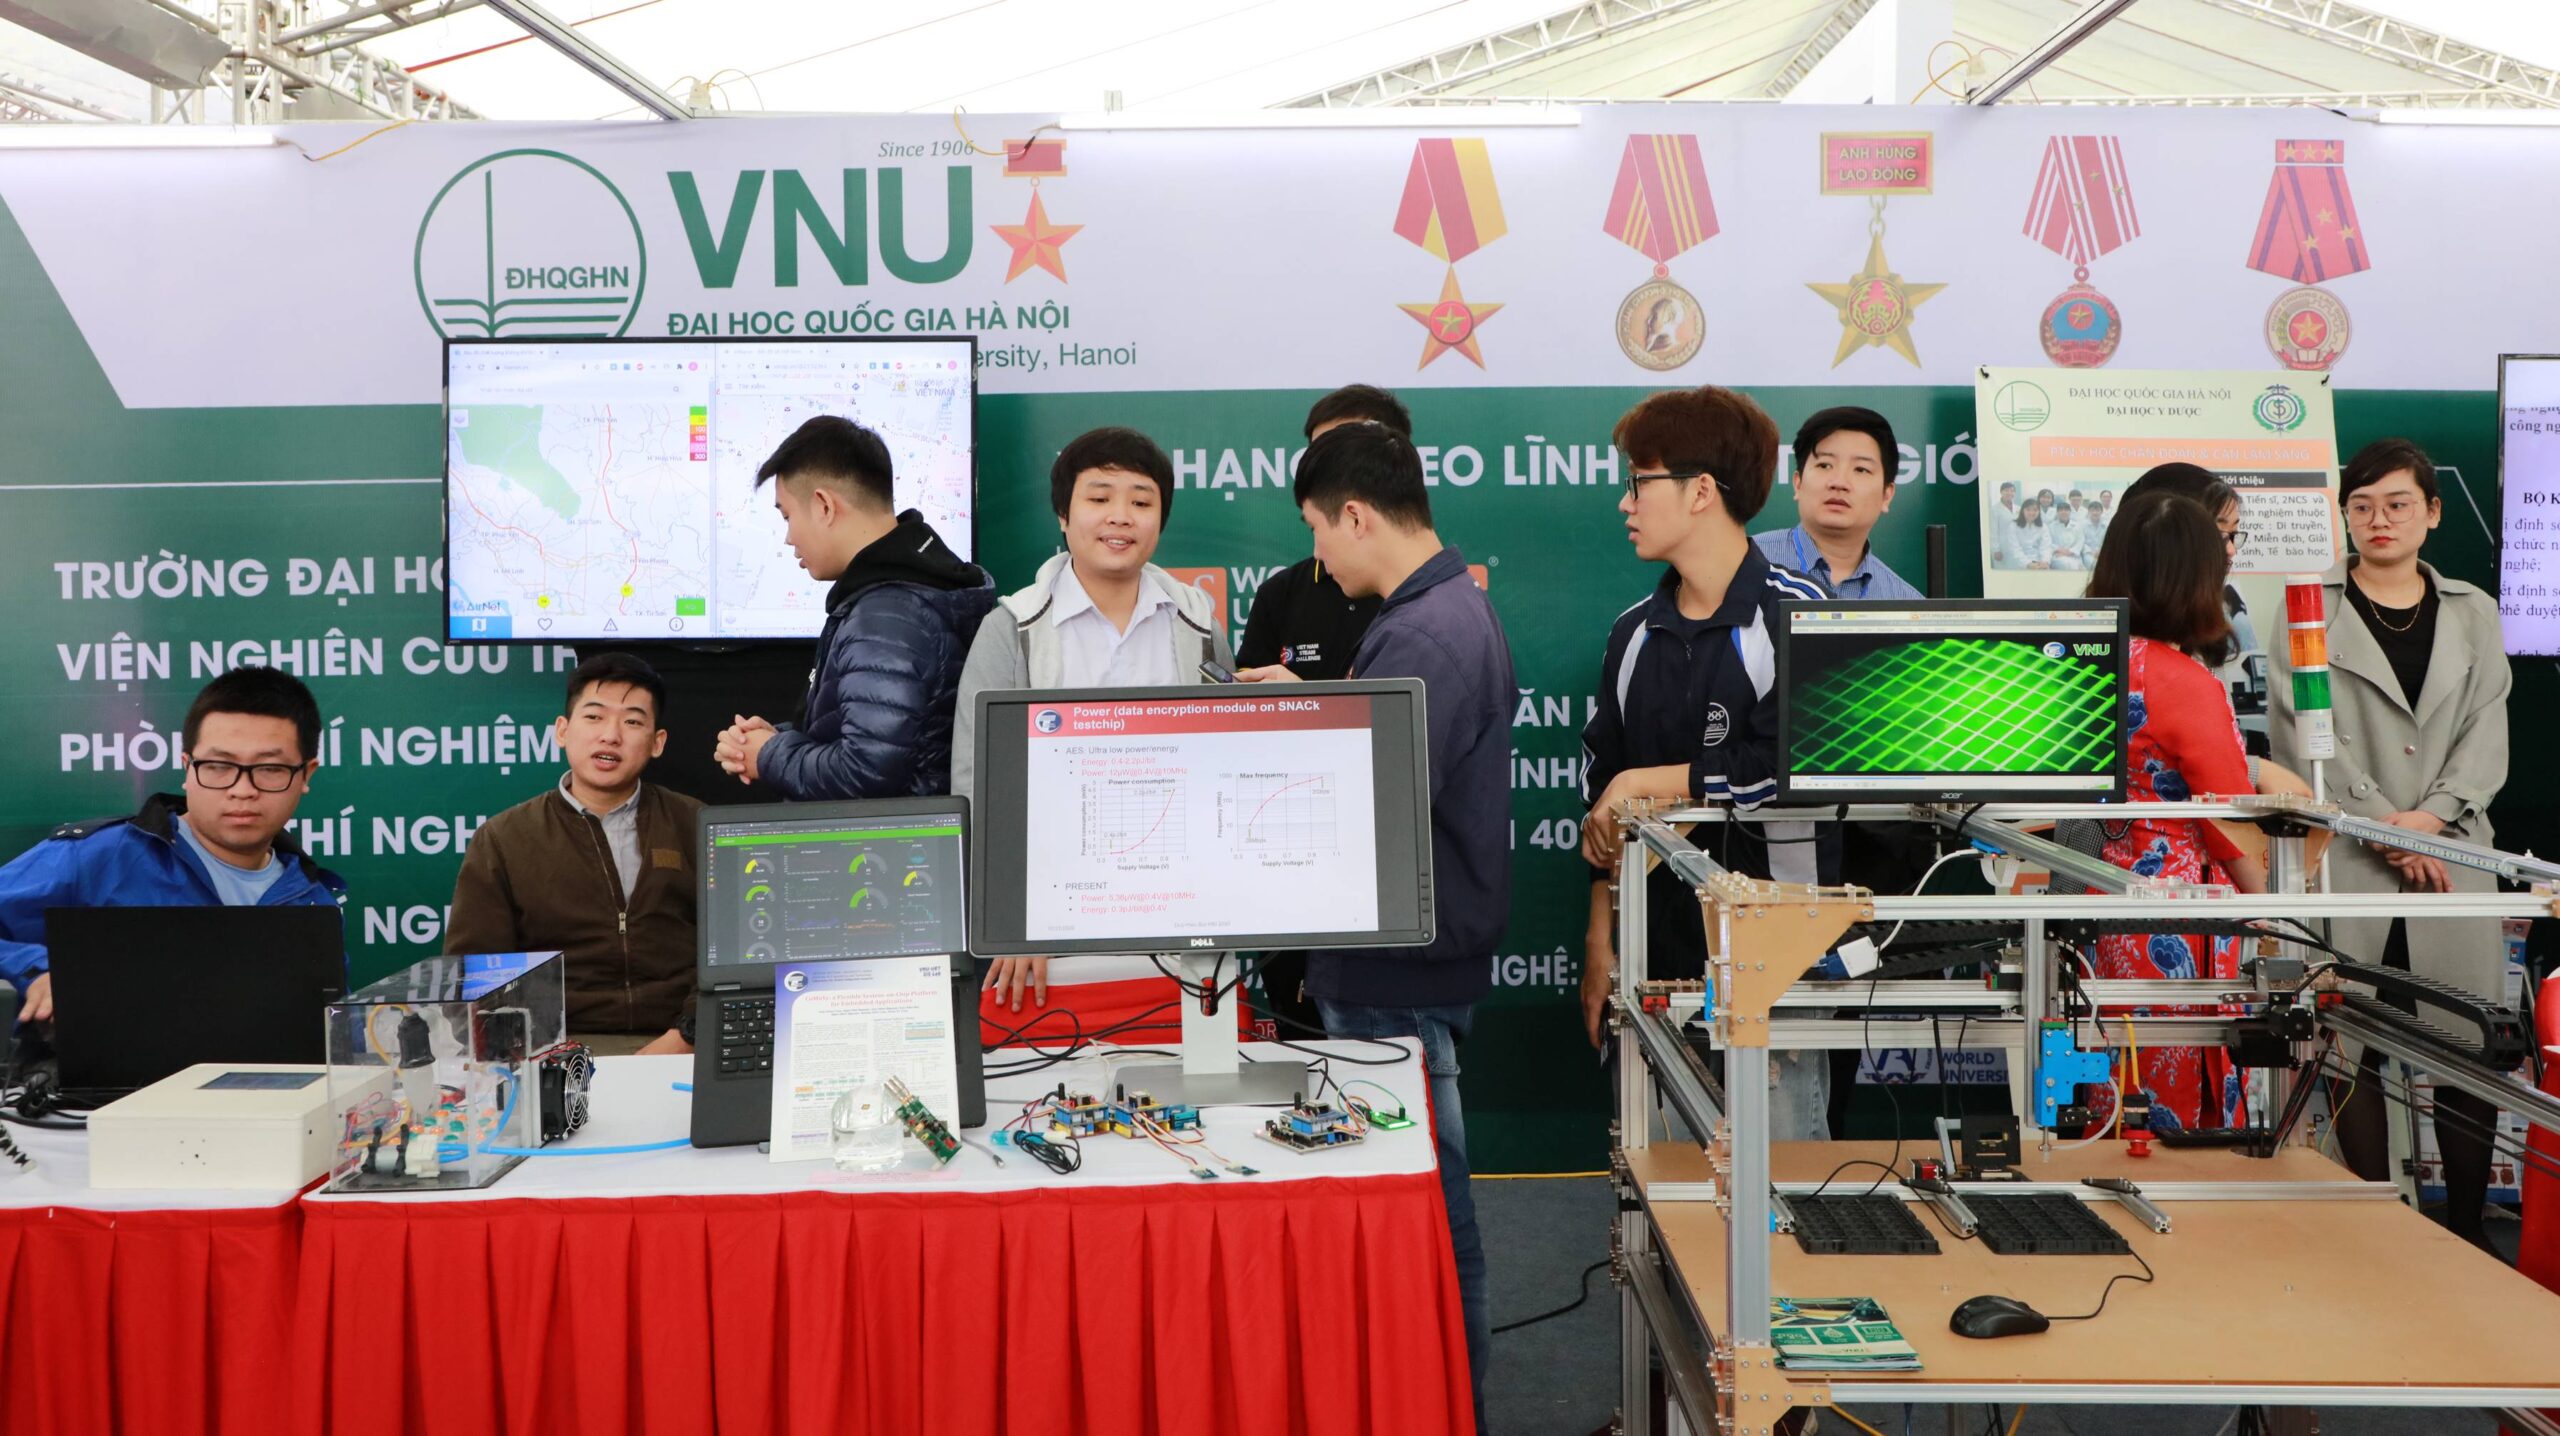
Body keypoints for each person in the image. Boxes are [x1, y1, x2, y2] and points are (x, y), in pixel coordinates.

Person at [1236, 420, 1513, 1431]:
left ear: (1354, 515)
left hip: (1395, 969)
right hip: (1404, 960)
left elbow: (1368, 806)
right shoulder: (1438, 613)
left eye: (1317, 528)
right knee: (1428, 1204)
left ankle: (1448, 1404)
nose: (1317, 554)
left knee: (1427, 1216)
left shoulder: (1423, 634)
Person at [1576, 385, 1838, 1138]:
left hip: (1774, 966)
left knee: (1774, 1189)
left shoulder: (1798, 616)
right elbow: (1602, 797)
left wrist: (1656, 783)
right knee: (1658, 1188)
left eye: (1639, 482)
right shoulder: (1633, 633)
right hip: (1653, 967)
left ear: (1700, 492)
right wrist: (1601, 940)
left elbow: (1799, 766)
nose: (1625, 503)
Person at [2271, 437, 2511, 1249]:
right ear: (2344, 514)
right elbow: (2302, 736)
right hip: (2350, 854)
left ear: (2432, 513)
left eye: (2398, 503)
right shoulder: (2307, 607)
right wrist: (2385, 827)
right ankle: (2379, 1238)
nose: (2380, 519)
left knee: (2468, 1050)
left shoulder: (2475, 611)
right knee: (2350, 1050)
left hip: (2454, 858)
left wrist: (2433, 820)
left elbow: (2486, 736)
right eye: (2362, 505)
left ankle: (2468, 1238)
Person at [954, 426, 1235, 1013]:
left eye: (1141, 501)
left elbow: (1224, 774)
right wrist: (1015, 921)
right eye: (1100, 497)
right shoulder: (1012, 630)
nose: (1120, 516)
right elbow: (978, 782)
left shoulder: (1199, 627)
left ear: (1161, 519)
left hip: (1177, 909)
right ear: (1063, 514)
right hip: (1053, 915)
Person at [0, 666, 344, 1025]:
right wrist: (36, 972)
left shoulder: (313, 904)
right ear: (187, 767)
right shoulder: (98, 858)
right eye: (218, 766)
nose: (242, 790)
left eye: (270, 769)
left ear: (306, 774)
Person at [2082, 491, 2271, 1136]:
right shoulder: (2184, 681)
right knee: (2181, 1111)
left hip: (2103, 902)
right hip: (2180, 917)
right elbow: (2229, 823)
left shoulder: (2084, 662)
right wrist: (2274, 905)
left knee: (2116, 1092)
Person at [712, 416, 995, 799]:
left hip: (895, 836)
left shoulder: (887, 616)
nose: (789, 537)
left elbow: (867, 769)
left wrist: (769, 755)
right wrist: (776, 740)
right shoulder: (907, 592)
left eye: (787, 516)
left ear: (824, 505)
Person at [447, 653, 703, 1057]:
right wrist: (537, 1055)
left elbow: (735, 959)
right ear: (563, 731)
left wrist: (687, 1034)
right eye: (594, 717)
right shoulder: (504, 839)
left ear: (657, 742)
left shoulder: (695, 823)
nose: (610, 736)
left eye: (632, 721)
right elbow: (474, 978)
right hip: (556, 1048)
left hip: (683, 1041)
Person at [1234, 384, 1404, 679]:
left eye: (1340, 451)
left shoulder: (1424, 601)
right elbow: (1251, 703)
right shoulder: (1279, 595)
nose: (1325, 470)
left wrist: (1304, 699)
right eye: (1317, 454)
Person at [2123, 461, 2266, 749]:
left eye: (2234, 535)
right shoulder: (2114, 645)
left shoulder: (2212, 618)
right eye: (2218, 534)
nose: (2230, 550)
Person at [1754, 405, 1922, 600]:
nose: (1839, 483)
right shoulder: (1743, 562)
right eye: (1824, 465)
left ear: (1887, 495)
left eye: (1861, 469)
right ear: (1798, 483)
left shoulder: (1905, 603)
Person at [2006, 493, 2053, 569]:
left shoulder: (2043, 527)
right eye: (2028, 510)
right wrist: (2028, 563)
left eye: (2035, 510)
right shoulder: (2013, 526)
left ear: (2039, 512)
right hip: (2020, 563)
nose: (2032, 513)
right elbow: (2014, 549)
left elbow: (2046, 547)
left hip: (2039, 561)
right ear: (2022, 511)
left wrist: (2045, 561)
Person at [2050, 494, 2089, 571]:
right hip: (2058, 555)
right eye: (2061, 510)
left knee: (2081, 569)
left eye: (2066, 510)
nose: (2063, 512)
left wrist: (2070, 552)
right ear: (2057, 512)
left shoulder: (2076, 526)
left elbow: (2080, 541)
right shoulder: (2051, 526)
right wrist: (2059, 550)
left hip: (2074, 555)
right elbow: (2049, 543)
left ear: (2070, 512)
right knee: (2066, 565)